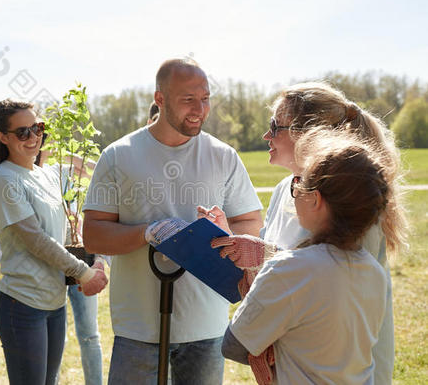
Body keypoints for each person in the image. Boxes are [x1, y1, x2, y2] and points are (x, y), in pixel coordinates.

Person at [204, 82, 407, 384]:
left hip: (343, 367)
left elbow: (336, 277)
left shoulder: (350, 203)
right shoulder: (282, 192)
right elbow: (279, 276)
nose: (266, 136)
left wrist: (264, 255)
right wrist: (237, 245)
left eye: (275, 127)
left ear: (309, 132)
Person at [82, 58, 263, 384]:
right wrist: (147, 232)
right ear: (160, 99)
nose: (199, 109)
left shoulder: (223, 156)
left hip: (205, 326)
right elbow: (93, 234)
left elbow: (250, 221)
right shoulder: (118, 155)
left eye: (205, 98)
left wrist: (228, 234)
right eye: (188, 100)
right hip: (138, 328)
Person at [0, 99, 108, 384]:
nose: (34, 137)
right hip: (23, 305)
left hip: (54, 302)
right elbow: (36, 240)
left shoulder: (45, 175)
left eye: (37, 128)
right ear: (3, 137)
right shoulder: (4, 180)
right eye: (22, 132)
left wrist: (94, 259)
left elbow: (61, 233)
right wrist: (83, 272)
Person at [35, 142, 104, 385]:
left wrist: (67, 152)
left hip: (80, 256)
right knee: (55, 336)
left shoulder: (62, 172)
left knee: (89, 335)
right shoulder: (32, 179)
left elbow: (94, 168)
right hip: (52, 262)